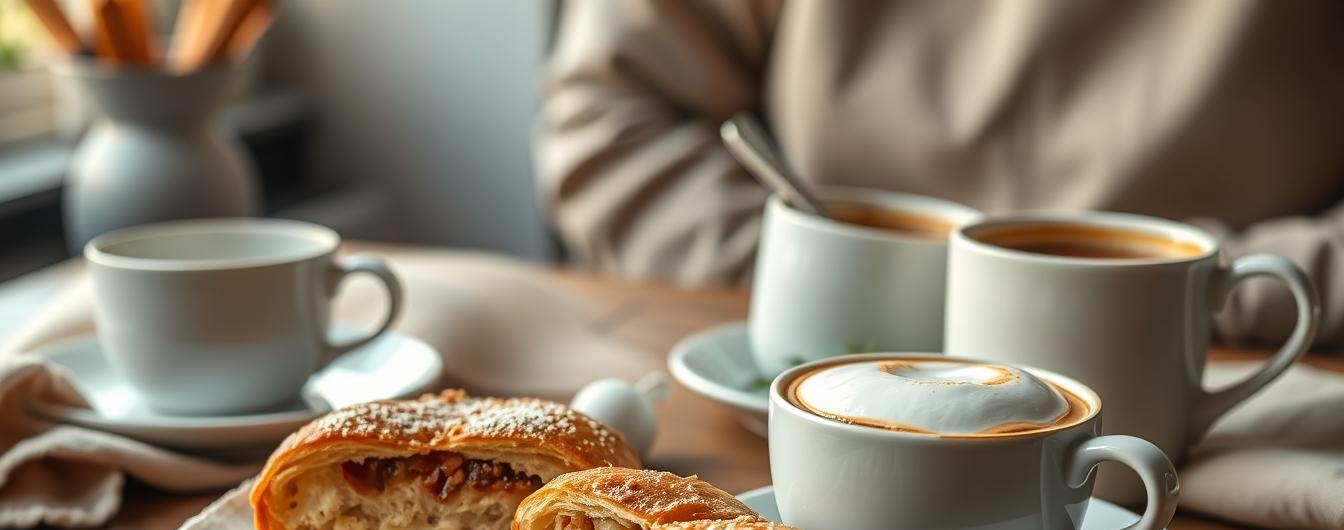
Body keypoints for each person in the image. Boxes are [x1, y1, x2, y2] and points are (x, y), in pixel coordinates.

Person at [536, 0, 1344, 348]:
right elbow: (612, 115)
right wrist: (827, 282)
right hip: (812, 375)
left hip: (1220, 378)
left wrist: (1178, 298)